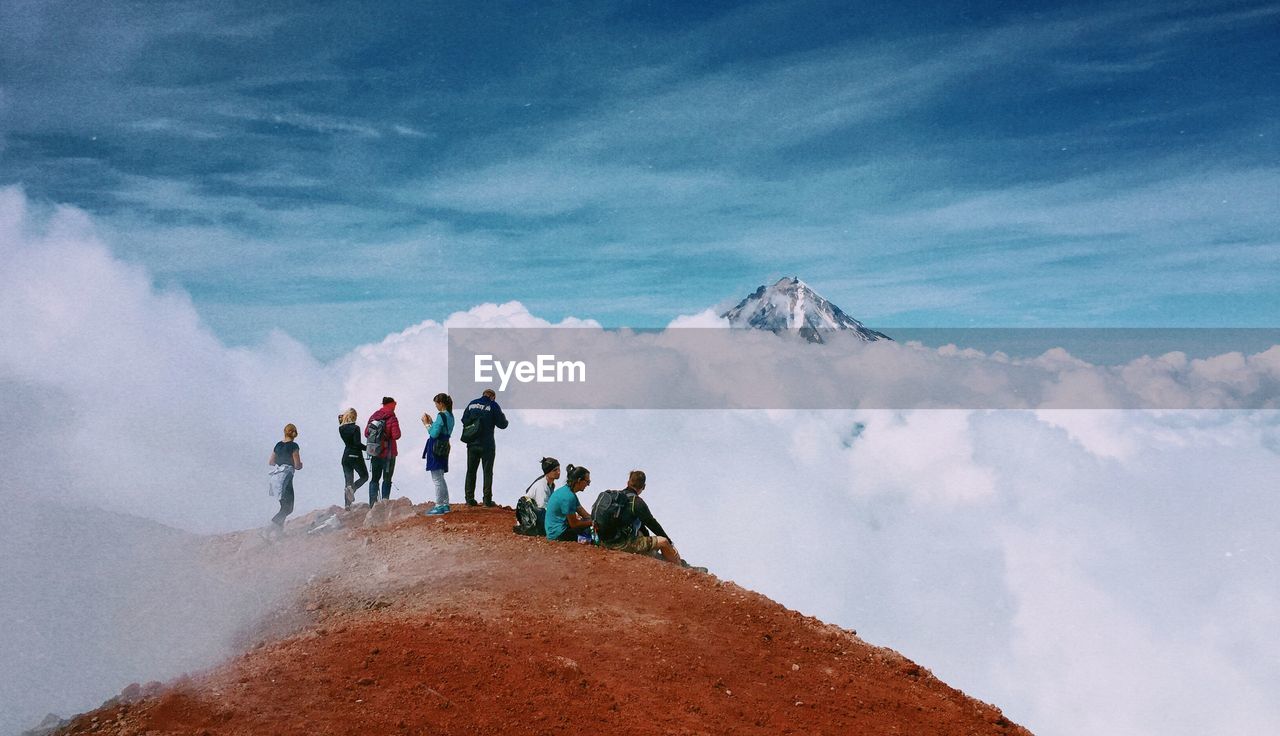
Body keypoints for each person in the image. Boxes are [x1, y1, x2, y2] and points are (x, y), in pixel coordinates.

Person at [596, 470, 683, 565]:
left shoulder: (614, 497)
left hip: (602, 540)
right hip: (620, 543)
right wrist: (670, 543)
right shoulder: (636, 502)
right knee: (663, 542)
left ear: (628, 482)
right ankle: (679, 567)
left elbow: (641, 526)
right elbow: (652, 524)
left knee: (641, 533)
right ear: (644, 486)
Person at [460, 388, 508, 507]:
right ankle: (487, 501)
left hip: (472, 443)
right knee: (487, 472)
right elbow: (502, 424)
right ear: (493, 397)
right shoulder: (493, 405)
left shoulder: (472, 404)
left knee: (471, 471)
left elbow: (464, 420)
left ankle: (469, 499)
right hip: (487, 445)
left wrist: (475, 421)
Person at [421, 393, 455, 515]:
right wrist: (432, 422)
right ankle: (445, 504)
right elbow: (442, 429)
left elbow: (434, 434)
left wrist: (427, 423)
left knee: (437, 479)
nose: (435, 406)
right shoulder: (450, 416)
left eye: (436, 403)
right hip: (444, 447)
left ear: (441, 403)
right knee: (441, 477)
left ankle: (439, 505)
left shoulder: (441, 415)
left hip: (435, 448)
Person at [365, 397, 401, 506]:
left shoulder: (374, 416)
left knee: (374, 479)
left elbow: (366, 433)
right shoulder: (392, 417)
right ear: (392, 404)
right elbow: (397, 435)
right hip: (389, 454)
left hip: (375, 452)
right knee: (387, 479)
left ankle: (372, 505)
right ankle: (385, 503)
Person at [544, 464, 594, 542]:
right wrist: (593, 523)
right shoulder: (568, 497)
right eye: (587, 482)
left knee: (587, 526)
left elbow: (585, 515)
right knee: (592, 540)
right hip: (558, 535)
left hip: (557, 530)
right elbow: (574, 524)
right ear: (579, 480)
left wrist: (595, 520)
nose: (588, 485)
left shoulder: (568, 492)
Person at [267, 423, 302, 533]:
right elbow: (297, 465)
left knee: (284, 506)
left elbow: (271, 462)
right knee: (288, 508)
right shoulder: (293, 446)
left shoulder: (278, 445)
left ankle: (278, 533)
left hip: (276, 477)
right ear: (294, 433)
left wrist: (281, 461)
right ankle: (269, 529)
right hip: (286, 477)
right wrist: (300, 465)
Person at [513, 457, 560, 535]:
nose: (558, 472)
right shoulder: (542, 486)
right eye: (555, 470)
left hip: (537, 512)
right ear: (547, 472)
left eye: (559, 469)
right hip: (530, 516)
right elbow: (542, 507)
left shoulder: (551, 485)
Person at [338, 408, 367, 509]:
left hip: (346, 457)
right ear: (354, 416)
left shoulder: (341, 428)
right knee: (364, 476)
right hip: (355, 455)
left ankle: (347, 505)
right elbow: (357, 443)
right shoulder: (356, 428)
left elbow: (340, 420)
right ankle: (353, 488)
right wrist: (368, 449)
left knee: (348, 481)